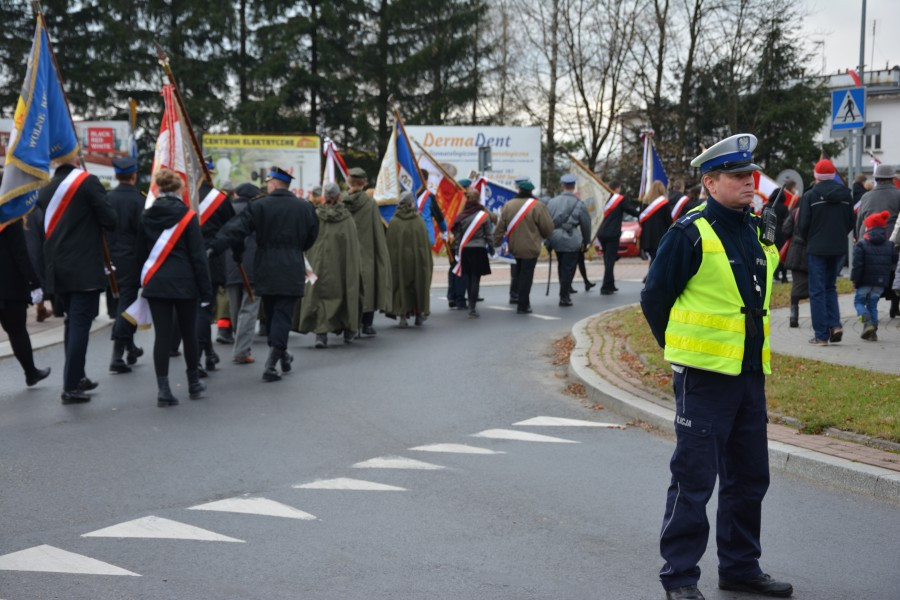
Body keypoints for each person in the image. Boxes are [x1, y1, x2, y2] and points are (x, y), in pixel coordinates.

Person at [641, 134, 791, 600]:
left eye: (751, 175)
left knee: (749, 479)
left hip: (748, 378)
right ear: (711, 182)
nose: (750, 182)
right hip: (704, 380)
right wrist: (682, 350)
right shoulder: (689, 232)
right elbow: (654, 297)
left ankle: (740, 567)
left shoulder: (755, 230)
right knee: (694, 481)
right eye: (738, 176)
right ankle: (680, 577)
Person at [212, 166, 319, 381]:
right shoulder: (305, 208)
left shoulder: (258, 206)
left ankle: (272, 363)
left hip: (266, 266)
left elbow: (237, 229)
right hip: (291, 265)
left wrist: (215, 246)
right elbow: (311, 237)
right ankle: (281, 356)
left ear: (273, 183)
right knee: (282, 315)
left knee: (272, 315)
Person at [37, 155, 117, 404]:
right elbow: (110, 220)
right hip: (83, 267)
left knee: (73, 323)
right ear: (74, 158)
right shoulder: (87, 182)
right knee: (80, 324)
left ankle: (78, 377)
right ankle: (71, 386)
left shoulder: (46, 189)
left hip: (57, 267)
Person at [135, 168, 211, 406]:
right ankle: (193, 384)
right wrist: (206, 289)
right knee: (188, 334)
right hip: (184, 283)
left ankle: (164, 389)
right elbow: (198, 257)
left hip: (156, 283)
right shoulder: (188, 216)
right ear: (179, 189)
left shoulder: (146, 216)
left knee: (163, 337)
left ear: (157, 188)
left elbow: (140, 253)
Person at [295, 182, 362, 347]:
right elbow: (352, 248)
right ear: (339, 196)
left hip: (318, 265)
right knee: (346, 291)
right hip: (341, 266)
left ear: (324, 197)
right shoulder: (347, 219)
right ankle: (348, 330)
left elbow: (307, 242)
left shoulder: (315, 216)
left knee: (318, 295)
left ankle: (321, 334)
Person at [797, 159, 854, 345]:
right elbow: (850, 222)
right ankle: (835, 325)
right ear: (833, 175)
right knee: (830, 287)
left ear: (816, 176)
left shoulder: (810, 196)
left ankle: (821, 335)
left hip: (817, 248)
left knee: (817, 291)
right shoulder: (846, 195)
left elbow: (803, 224)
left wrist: (810, 239)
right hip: (838, 248)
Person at [0, 219, 51, 387]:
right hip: (8, 285)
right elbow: (20, 254)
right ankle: (31, 372)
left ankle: (31, 372)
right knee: (17, 331)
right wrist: (34, 283)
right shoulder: (9, 218)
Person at [106, 157, 145, 374]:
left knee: (122, 303)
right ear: (134, 175)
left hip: (109, 260)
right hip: (132, 260)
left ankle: (130, 348)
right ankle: (117, 355)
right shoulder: (140, 201)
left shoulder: (107, 198)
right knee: (127, 306)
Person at [493, 178, 554, 313]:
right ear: (531, 191)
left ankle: (517, 297)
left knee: (518, 274)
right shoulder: (538, 206)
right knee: (527, 276)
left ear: (519, 190)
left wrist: (495, 244)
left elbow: (500, 227)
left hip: (514, 246)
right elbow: (548, 228)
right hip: (531, 247)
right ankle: (523, 304)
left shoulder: (509, 205)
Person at [343, 167, 391, 336]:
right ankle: (367, 324)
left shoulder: (342, 202)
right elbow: (377, 230)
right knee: (368, 285)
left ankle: (351, 324)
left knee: (349, 286)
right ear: (364, 183)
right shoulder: (370, 204)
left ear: (349, 181)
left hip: (347, 253)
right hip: (367, 251)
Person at [224, 183, 262, 364]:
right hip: (253, 265)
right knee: (249, 307)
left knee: (235, 306)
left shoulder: (226, 209)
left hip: (230, 264)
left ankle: (238, 340)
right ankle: (242, 349)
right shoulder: (257, 211)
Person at [855, 164, 900, 317]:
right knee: (895, 275)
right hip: (892, 243)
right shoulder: (898, 195)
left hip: (867, 242)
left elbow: (859, 221)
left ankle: (869, 311)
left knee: (870, 278)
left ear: (877, 179)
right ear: (892, 178)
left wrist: (859, 240)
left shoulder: (866, 196)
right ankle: (895, 306)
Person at [386, 191, 433, 327]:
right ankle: (419, 315)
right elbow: (424, 245)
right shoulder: (418, 221)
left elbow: (391, 245)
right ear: (411, 203)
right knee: (418, 285)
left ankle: (403, 316)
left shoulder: (394, 222)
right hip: (417, 260)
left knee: (401, 285)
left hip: (399, 260)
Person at [547, 173, 591, 307]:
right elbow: (586, 224)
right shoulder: (579, 203)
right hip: (571, 239)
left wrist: (547, 240)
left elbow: (547, 222)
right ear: (574, 186)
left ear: (562, 186)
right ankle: (564, 296)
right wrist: (586, 241)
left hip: (555, 237)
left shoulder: (552, 202)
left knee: (561, 265)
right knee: (568, 267)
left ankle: (564, 291)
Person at [852, 211, 895, 341]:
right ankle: (873, 333)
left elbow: (857, 266)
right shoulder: (889, 245)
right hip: (880, 283)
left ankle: (866, 320)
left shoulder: (861, 245)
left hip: (865, 281)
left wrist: (855, 280)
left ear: (868, 228)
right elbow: (894, 260)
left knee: (859, 302)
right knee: (873, 304)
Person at [451, 189, 493, 317]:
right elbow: (488, 235)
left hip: (465, 250)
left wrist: (457, 250)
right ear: (479, 200)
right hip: (479, 249)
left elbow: (457, 236)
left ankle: (470, 305)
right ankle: (472, 308)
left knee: (468, 278)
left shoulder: (462, 215)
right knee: (475, 279)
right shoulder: (484, 216)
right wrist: (491, 247)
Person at [596, 180, 640, 295]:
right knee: (610, 260)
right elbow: (630, 210)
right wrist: (642, 214)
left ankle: (610, 284)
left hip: (601, 233)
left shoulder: (603, 199)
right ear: (617, 188)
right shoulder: (619, 200)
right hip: (612, 234)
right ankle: (605, 287)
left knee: (608, 259)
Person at [781, 200, 809, 328]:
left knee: (797, 285)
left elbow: (786, 229)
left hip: (796, 251)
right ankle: (818, 317)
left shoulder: (795, 212)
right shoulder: (816, 212)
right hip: (812, 252)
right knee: (815, 286)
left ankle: (794, 315)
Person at [764, 180, 795, 284]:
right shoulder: (784, 207)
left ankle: (774, 274)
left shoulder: (766, 206)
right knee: (781, 255)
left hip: (768, 232)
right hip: (781, 233)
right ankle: (784, 277)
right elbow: (787, 221)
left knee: (770, 254)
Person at [639, 179, 672, 266]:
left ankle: (649, 277)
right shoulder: (664, 203)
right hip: (659, 235)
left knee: (654, 257)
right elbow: (668, 221)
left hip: (647, 236)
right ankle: (650, 278)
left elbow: (641, 218)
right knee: (656, 259)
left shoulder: (645, 201)